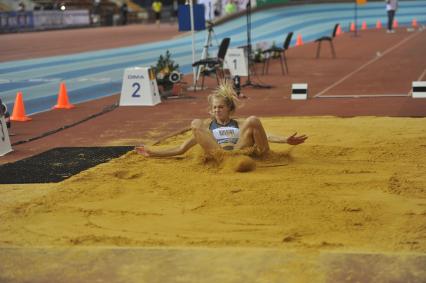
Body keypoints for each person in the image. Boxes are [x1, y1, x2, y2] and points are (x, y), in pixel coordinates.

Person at [135, 83, 307, 159]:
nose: (217, 110)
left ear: (230, 109)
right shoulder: (208, 129)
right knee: (195, 123)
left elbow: (266, 135)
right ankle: (227, 158)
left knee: (253, 119)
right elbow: (181, 149)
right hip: (220, 156)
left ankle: (263, 157)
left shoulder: (239, 124)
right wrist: (153, 152)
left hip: (240, 152)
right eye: (214, 108)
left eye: (221, 107)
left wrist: (285, 140)